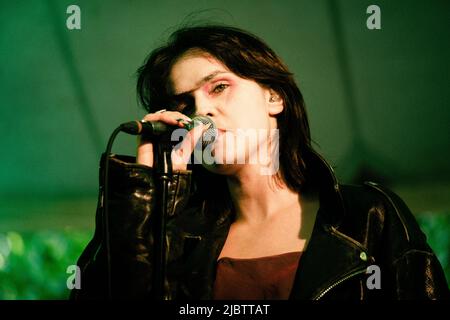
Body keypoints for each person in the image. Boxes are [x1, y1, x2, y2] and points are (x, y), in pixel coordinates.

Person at [71, 25, 449, 300]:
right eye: (185, 104)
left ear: (274, 98)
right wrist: (146, 193)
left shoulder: (367, 216)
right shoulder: (177, 233)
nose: (202, 111)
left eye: (219, 87)